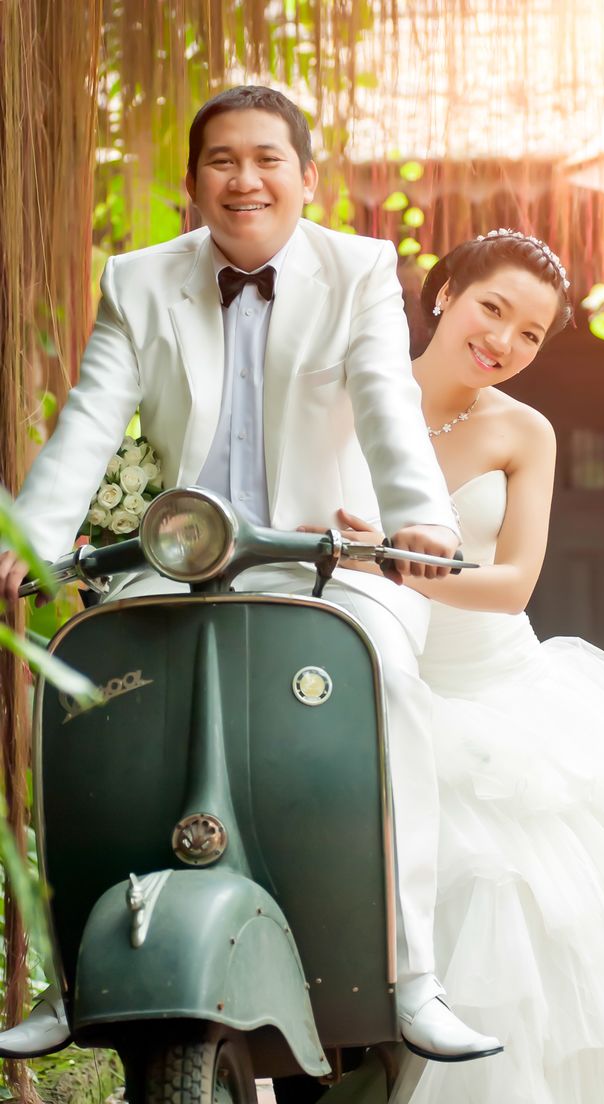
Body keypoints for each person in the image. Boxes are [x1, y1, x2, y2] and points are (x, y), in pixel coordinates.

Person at [0, 87, 503, 1067]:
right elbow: (90, 421)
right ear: (193, 184)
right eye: (222, 161)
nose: (246, 180)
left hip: (323, 560)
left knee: (391, 688)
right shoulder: (139, 280)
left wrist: (421, 521)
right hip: (180, 560)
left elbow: (387, 404)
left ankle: (412, 979)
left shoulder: (358, 270)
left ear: (306, 177)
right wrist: (30, 540)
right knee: (76, 694)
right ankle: (66, 980)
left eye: (268, 159)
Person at [330, 229, 604, 1102]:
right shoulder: (348, 393)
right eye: (492, 309)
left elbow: (514, 583)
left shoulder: (526, 432)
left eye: (530, 334)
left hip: (493, 698)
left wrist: (390, 562)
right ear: (445, 293)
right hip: (358, 680)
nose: (504, 342)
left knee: (506, 892)